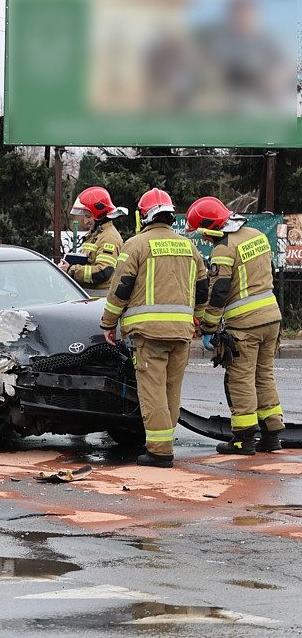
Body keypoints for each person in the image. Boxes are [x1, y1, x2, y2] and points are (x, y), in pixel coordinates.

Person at [100, 188, 208, 468]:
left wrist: (109, 324)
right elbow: (203, 288)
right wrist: (197, 319)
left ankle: (159, 451)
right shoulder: (189, 247)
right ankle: (166, 441)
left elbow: (120, 290)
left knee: (153, 391)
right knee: (172, 389)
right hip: (182, 333)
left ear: (143, 216)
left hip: (149, 334)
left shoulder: (135, 245)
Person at [187, 196, 284, 454]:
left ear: (210, 228)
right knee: (264, 375)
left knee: (239, 379)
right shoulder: (256, 235)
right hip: (272, 317)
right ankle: (272, 434)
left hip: (245, 325)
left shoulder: (224, 249)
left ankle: (243, 439)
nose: (205, 240)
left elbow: (218, 292)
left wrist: (207, 329)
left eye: (203, 234)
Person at [58, 186, 127, 297]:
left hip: (99, 302)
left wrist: (71, 269)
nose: (85, 222)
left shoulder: (109, 237)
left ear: (99, 215)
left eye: (88, 216)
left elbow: (103, 272)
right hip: (89, 300)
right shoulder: (95, 236)